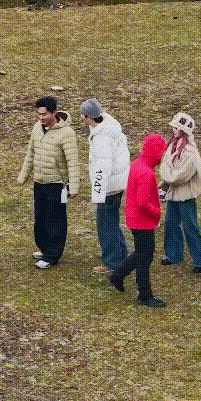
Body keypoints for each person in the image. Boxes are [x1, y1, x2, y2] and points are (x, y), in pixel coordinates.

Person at [17, 96, 81, 269]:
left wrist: (73, 186)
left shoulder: (67, 133)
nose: (41, 118)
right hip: (40, 182)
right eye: (39, 114)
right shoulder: (37, 128)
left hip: (57, 185)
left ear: (54, 112)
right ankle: (44, 248)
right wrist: (24, 175)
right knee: (41, 219)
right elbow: (31, 153)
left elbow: (72, 161)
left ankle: (52, 255)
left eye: (44, 114)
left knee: (56, 220)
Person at [109, 134, 167, 308]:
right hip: (143, 221)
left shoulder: (138, 165)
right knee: (145, 257)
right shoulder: (146, 173)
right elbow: (143, 202)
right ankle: (144, 294)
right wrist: (156, 211)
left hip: (136, 219)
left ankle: (118, 275)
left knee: (142, 253)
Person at [80, 98, 130, 275]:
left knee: (105, 224)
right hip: (117, 183)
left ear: (87, 116)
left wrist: (98, 193)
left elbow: (102, 167)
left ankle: (111, 262)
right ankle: (121, 256)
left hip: (108, 187)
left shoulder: (102, 137)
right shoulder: (109, 127)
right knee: (112, 222)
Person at [159, 112, 201, 273]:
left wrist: (166, 174)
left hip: (186, 196)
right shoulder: (173, 146)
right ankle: (173, 255)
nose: (173, 130)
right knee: (171, 225)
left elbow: (178, 177)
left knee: (190, 227)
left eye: (176, 127)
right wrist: (166, 177)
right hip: (174, 195)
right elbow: (165, 166)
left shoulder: (190, 152)